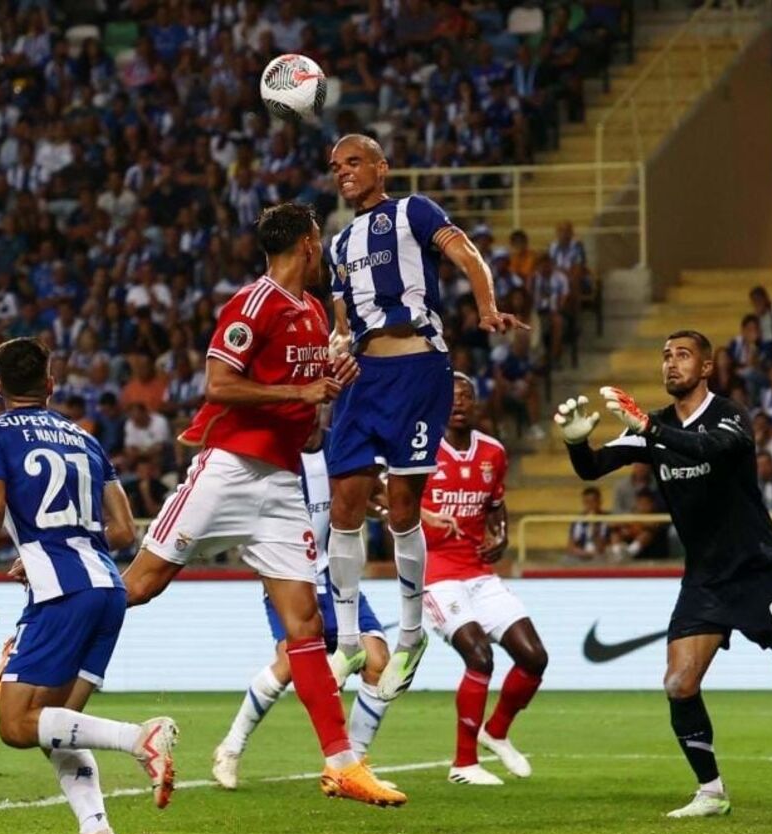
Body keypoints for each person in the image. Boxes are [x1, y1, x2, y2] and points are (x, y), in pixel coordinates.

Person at [553, 330, 772, 819]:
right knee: (679, 683)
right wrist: (577, 443)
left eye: (682, 355)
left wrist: (648, 429)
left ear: (706, 367)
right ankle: (711, 791)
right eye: (665, 357)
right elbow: (593, 469)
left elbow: (711, 450)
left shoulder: (730, 416)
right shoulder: (652, 425)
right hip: (705, 580)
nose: (671, 364)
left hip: (759, 571)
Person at [120, 202, 404, 807]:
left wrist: (329, 383)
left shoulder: (309, 313)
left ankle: (341, 764)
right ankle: (32, 641)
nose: (323, 248)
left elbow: (300, 428)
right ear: (306, 242)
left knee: (304, 626)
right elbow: (218, 384)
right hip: (226, 469)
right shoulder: (256, 302)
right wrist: (302, 388)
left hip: (279, 482)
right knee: (140, 586)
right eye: (320, 239)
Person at [323, 133, 526, 701]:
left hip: (417, 372)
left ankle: (410, 636)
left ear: (382, 168)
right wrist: (335, 346)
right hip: (364, 381)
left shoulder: (412, 211)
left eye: (354, 162)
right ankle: (347, 642)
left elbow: (465, 252)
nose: (343, 172)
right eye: (336, 166)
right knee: (344, 505)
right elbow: (342, 320)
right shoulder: (338, 244)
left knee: (406, 508)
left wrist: (486, 307)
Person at [0, 337, 178, 834]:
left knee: (15, 725)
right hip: (108, 589)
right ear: (51, 384)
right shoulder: (85, 440)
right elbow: (126, 529)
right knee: (52, 722)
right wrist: (47, 552)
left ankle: (139, 738)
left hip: (62, 594)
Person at [212, 428, 392, 790]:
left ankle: (349, 765)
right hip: (288, 577)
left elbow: (374, 495)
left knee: (378, 661)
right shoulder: (273, 453)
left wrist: (381, 507)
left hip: (337, 579)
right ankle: (230, 749)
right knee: (291, 663)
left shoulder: (343, 446)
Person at [420, 374, 547, 785]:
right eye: (451, 396)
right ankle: (463, 763)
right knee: (480, 656)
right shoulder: (420, 451)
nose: (458, 403)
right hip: (437, 574)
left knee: (534, 657)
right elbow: (394, 505)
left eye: (466, 397)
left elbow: (496, 503)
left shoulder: (492, 451)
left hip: (480, 572)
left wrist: (503, 533)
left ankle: (498, 731)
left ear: (477, 404)